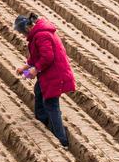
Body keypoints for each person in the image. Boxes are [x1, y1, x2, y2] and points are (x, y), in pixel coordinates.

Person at [14, 12, 76, 148]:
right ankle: (42, 120)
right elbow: (36, 55)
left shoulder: (41, 35)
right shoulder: (38, 34)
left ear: (27, 28)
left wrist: (35, 69)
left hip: (55, 74)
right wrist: (25, 67)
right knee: (39, 90)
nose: (22, 35)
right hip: (49, 73)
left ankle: (61, 140)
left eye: (22, 32)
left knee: (51, 104)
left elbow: (47, 57)